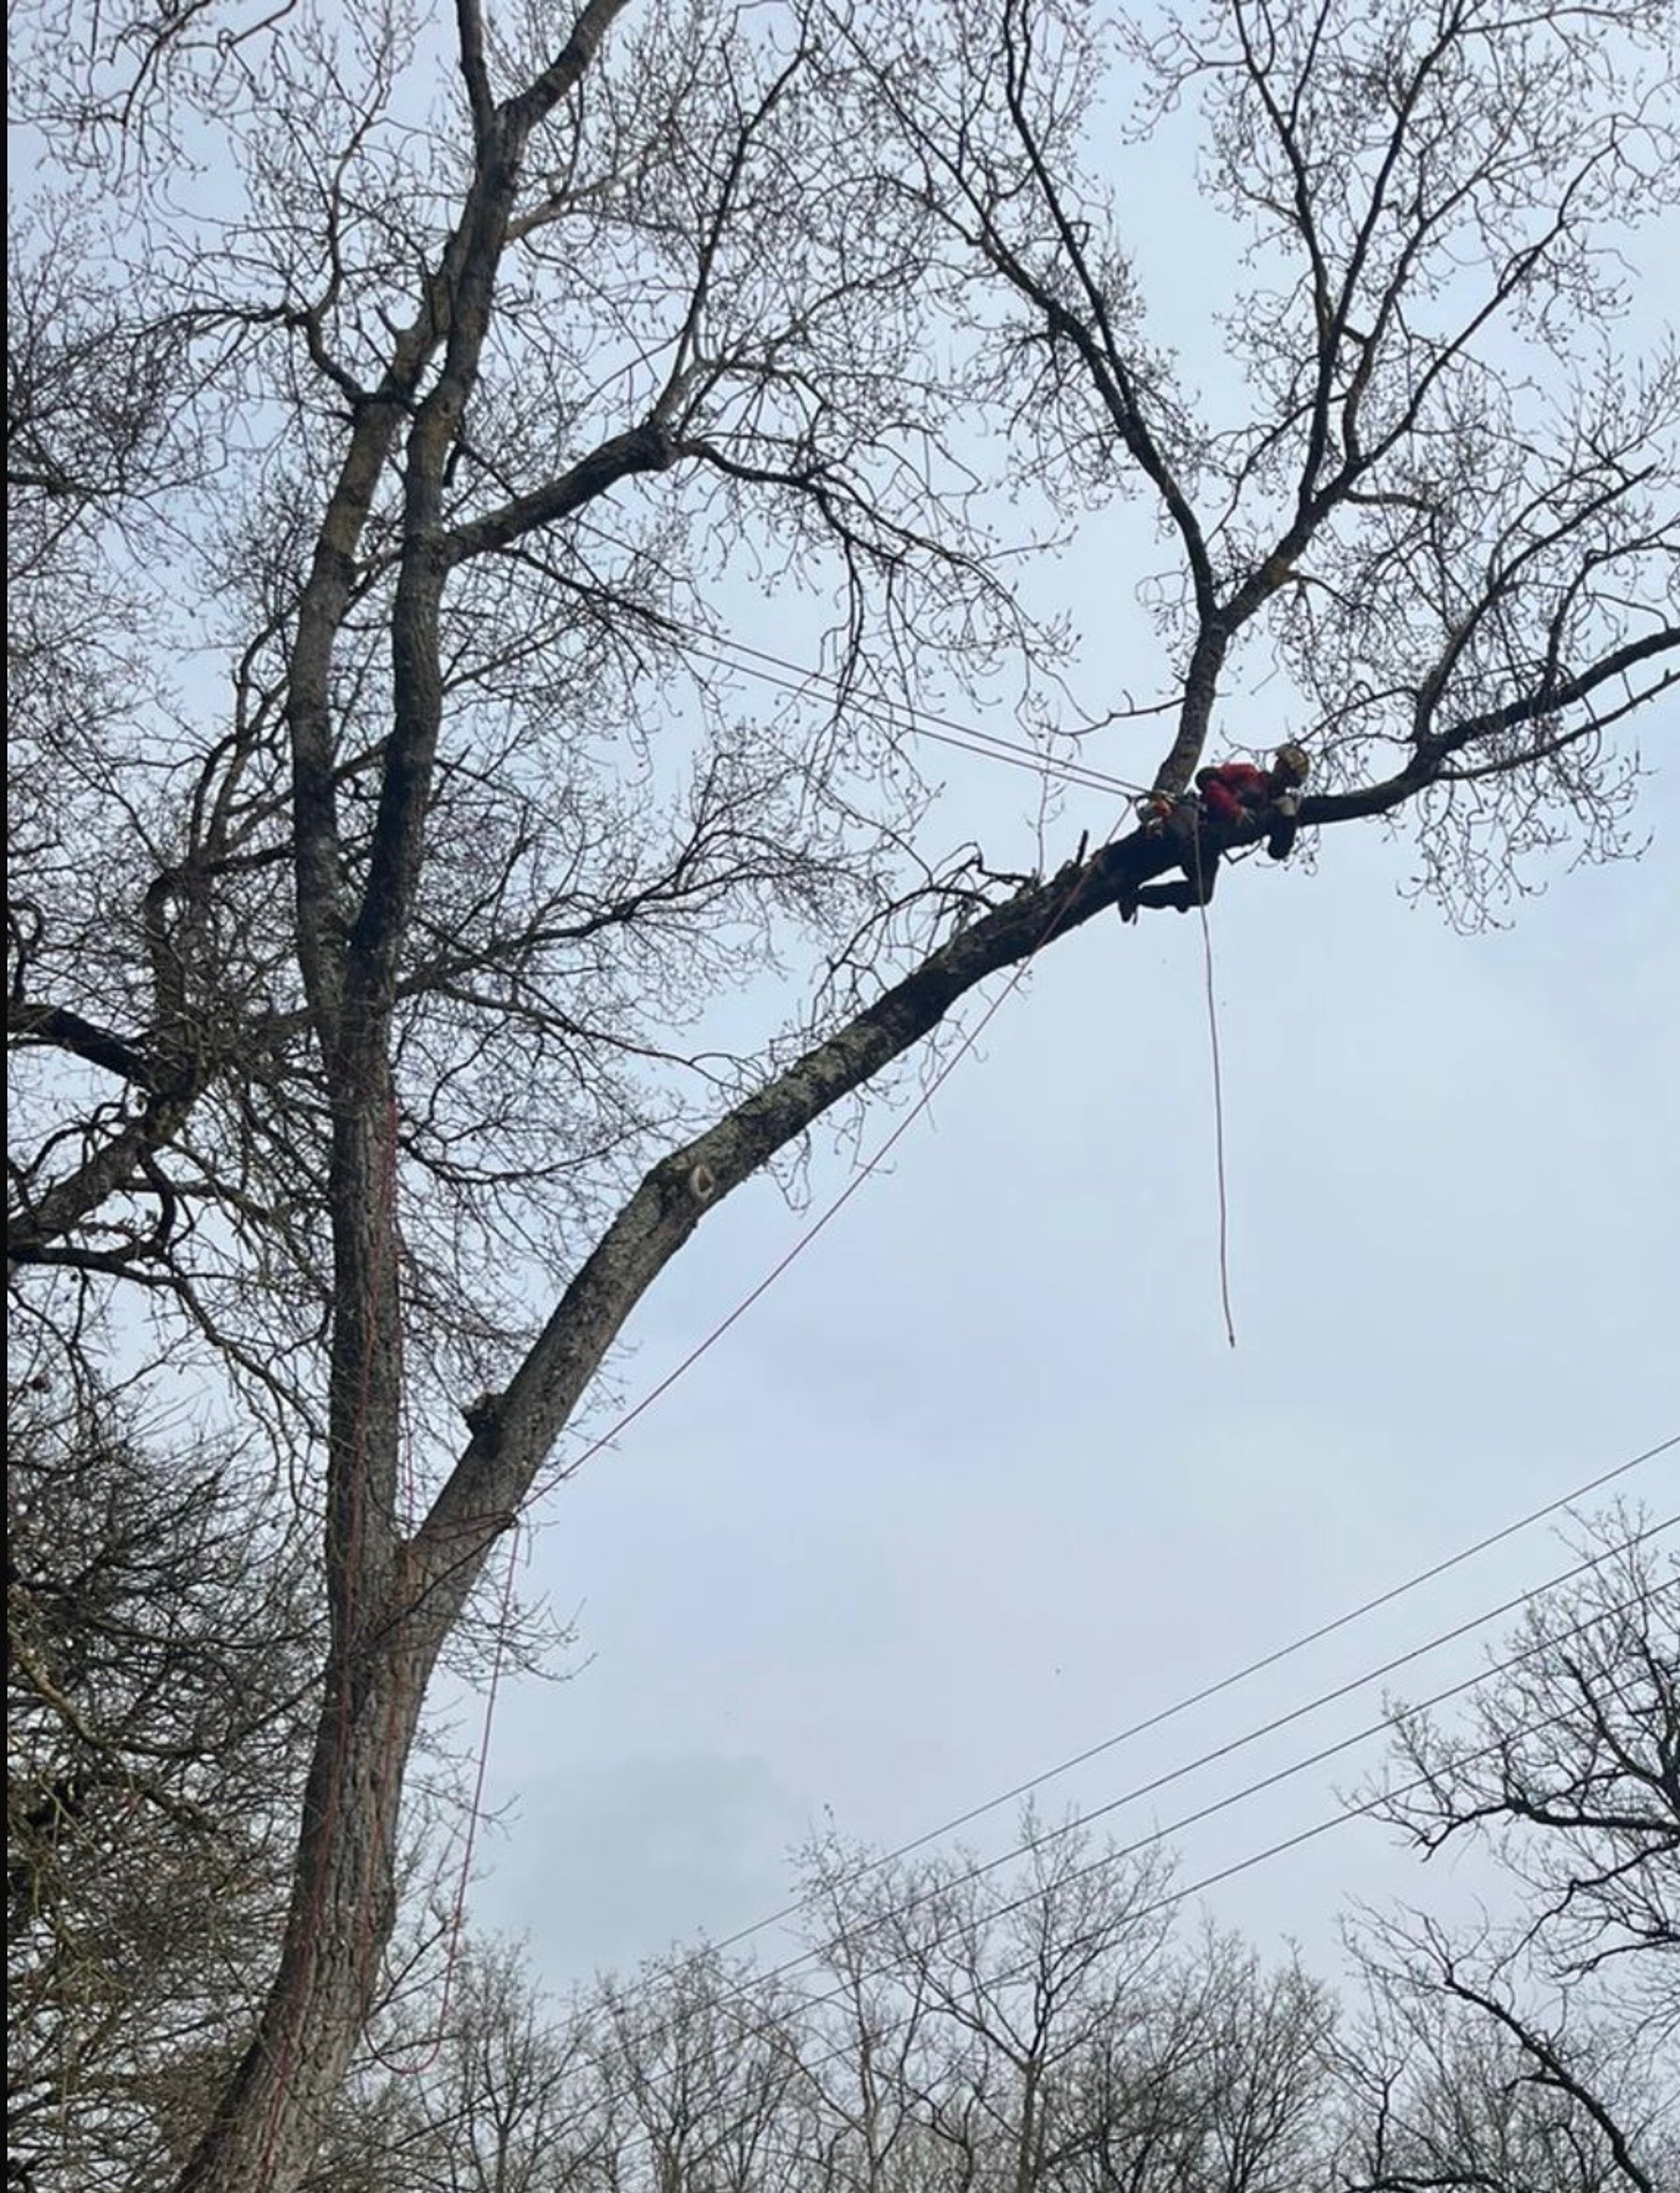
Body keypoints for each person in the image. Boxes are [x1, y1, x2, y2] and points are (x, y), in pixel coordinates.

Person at [1119, 744, 1309, 919]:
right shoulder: (1249, 774)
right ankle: (1109, 862)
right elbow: (1207, 778)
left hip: (1210, 846)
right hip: (1196, 817)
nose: (1281, 773)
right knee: (1154, 845)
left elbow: (1278, 850)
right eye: (1281, 766)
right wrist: (1234, 809)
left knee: (1201, 893)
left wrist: (1288, 817)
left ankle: (1138, 897)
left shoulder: (1274, 809)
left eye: (1287, 773)